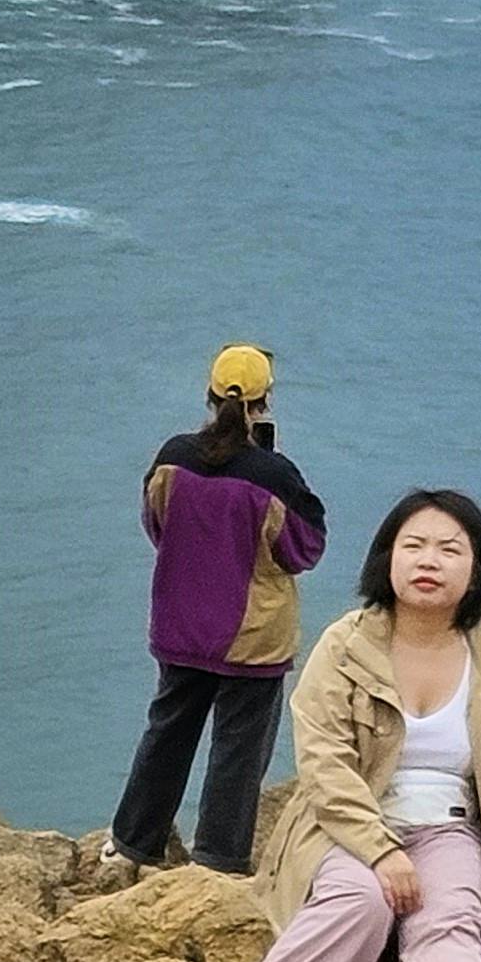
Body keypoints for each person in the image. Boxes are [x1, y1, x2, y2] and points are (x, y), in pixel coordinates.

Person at [172, 489, 481, 962]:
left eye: (448, 549)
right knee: (358, 902)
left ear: (477, 570)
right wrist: (381, 850)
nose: (427, 560)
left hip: (451, 830)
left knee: (451, 907)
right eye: (413, 546)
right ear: (387, 559)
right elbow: (324, 764)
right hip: (348, 829)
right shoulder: (345, 648)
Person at [109, 342, 327, 875]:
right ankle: (218, 859)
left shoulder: (171, 459)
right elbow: (305, 548)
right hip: (251, 638)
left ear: (209, 395)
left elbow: (156, 526)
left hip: (181, 625)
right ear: (264, 403)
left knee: (167, 732)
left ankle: (134, 844)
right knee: (238, 750)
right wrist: (272, 464)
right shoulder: (273, 477)